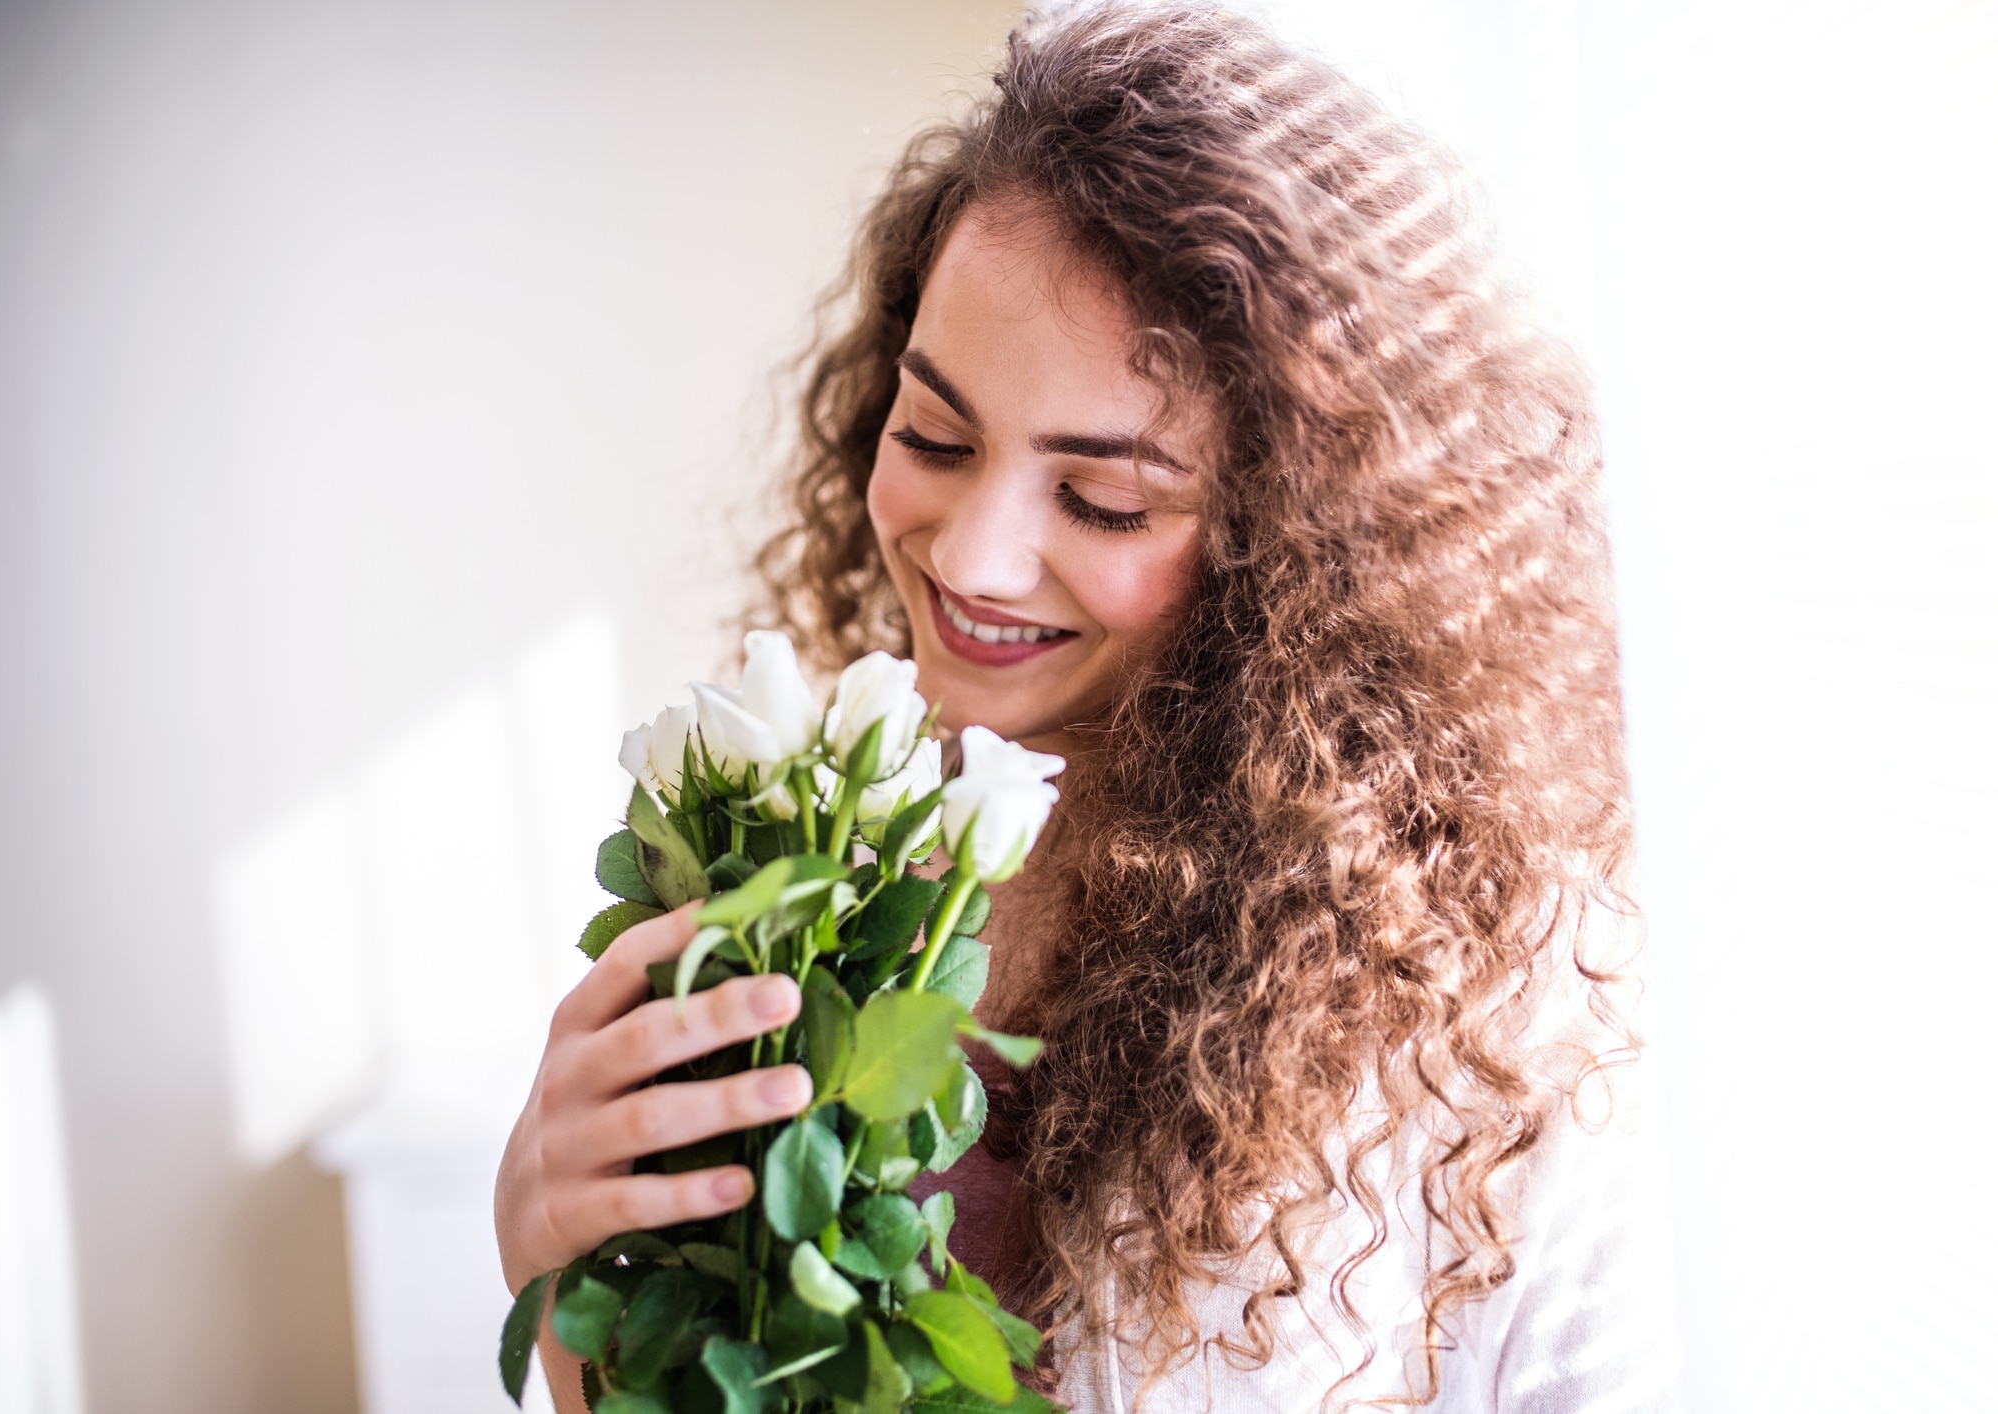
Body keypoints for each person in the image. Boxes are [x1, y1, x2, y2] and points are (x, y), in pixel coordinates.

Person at [495, 4, 1681, 1410]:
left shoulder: (1511, 1030)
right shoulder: (817, 882)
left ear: (1300, 540)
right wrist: (566, 1274)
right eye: (931, 434)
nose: (972, 557)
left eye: (1104, 496)